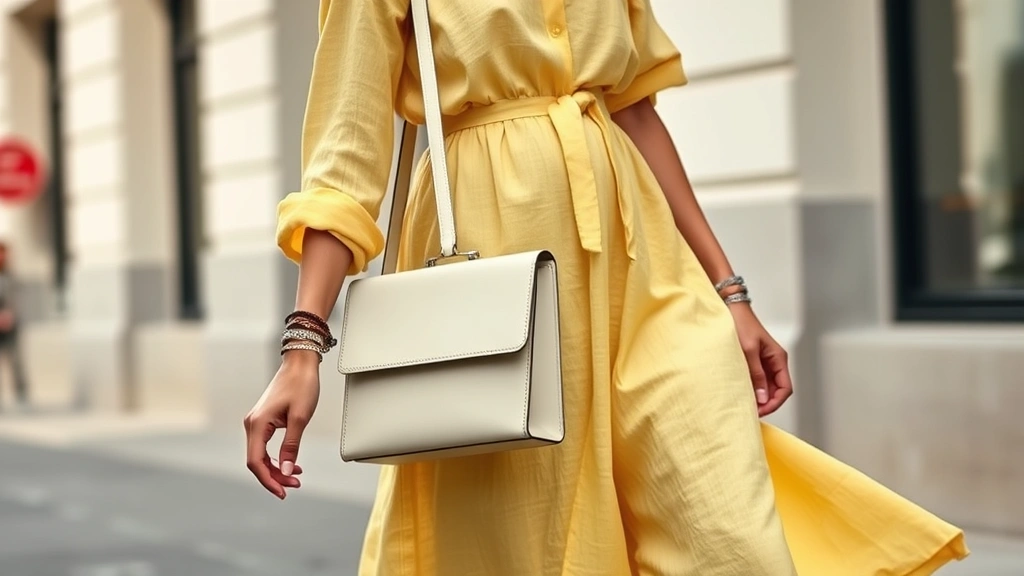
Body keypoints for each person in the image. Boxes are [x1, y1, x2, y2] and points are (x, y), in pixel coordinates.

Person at [245, 1, 969, 574]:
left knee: (724, 523)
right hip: (491, 270)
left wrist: (730, 292)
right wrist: (304, 345)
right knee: (523, 543)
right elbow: (345, 162)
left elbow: (636, 110)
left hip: (641, 268)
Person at [0, 241, 28, 411]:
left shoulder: (11, 276)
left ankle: (21, 395)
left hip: (11, 325)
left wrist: (11, 315)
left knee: (16, 361)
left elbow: (17, 299)